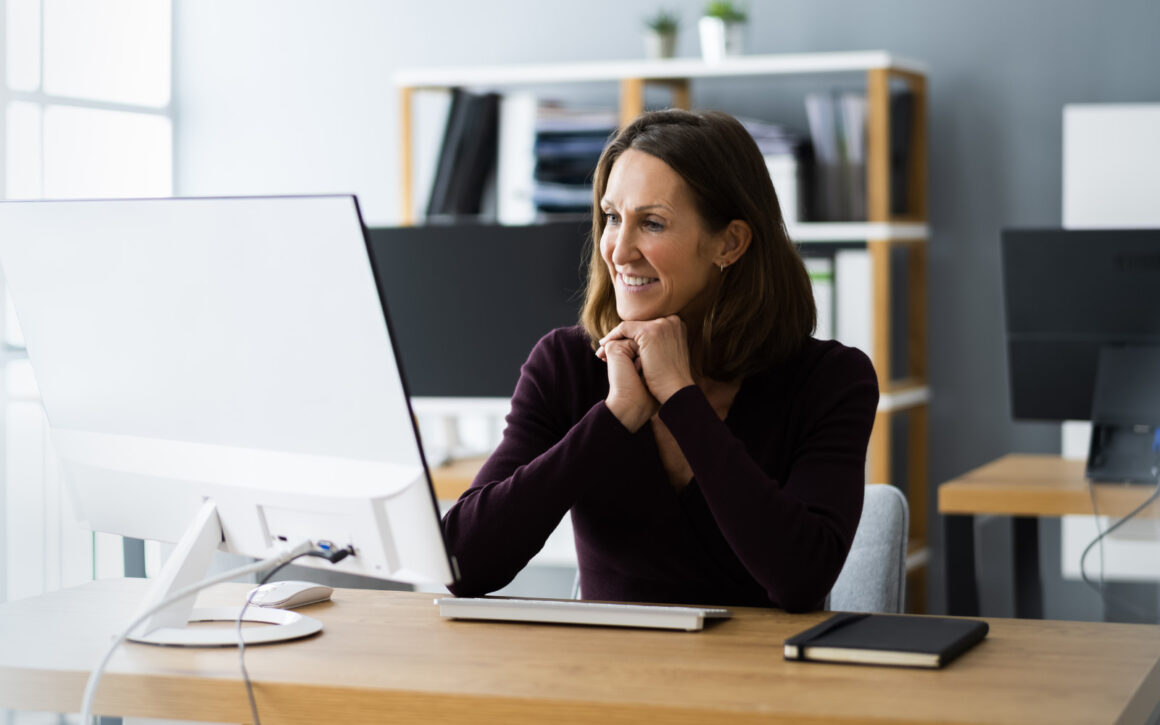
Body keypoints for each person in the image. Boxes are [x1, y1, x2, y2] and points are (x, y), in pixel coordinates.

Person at [441, 109, 878, 612]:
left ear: (729, 243)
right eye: (611, 217)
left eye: (651, 223)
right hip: (609, 684)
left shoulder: (830, 380)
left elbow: (800, 580)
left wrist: (679, 396)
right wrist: (613, 415)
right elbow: (462, 565)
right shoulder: (566, 364)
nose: (619, 250)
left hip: (764, 684)